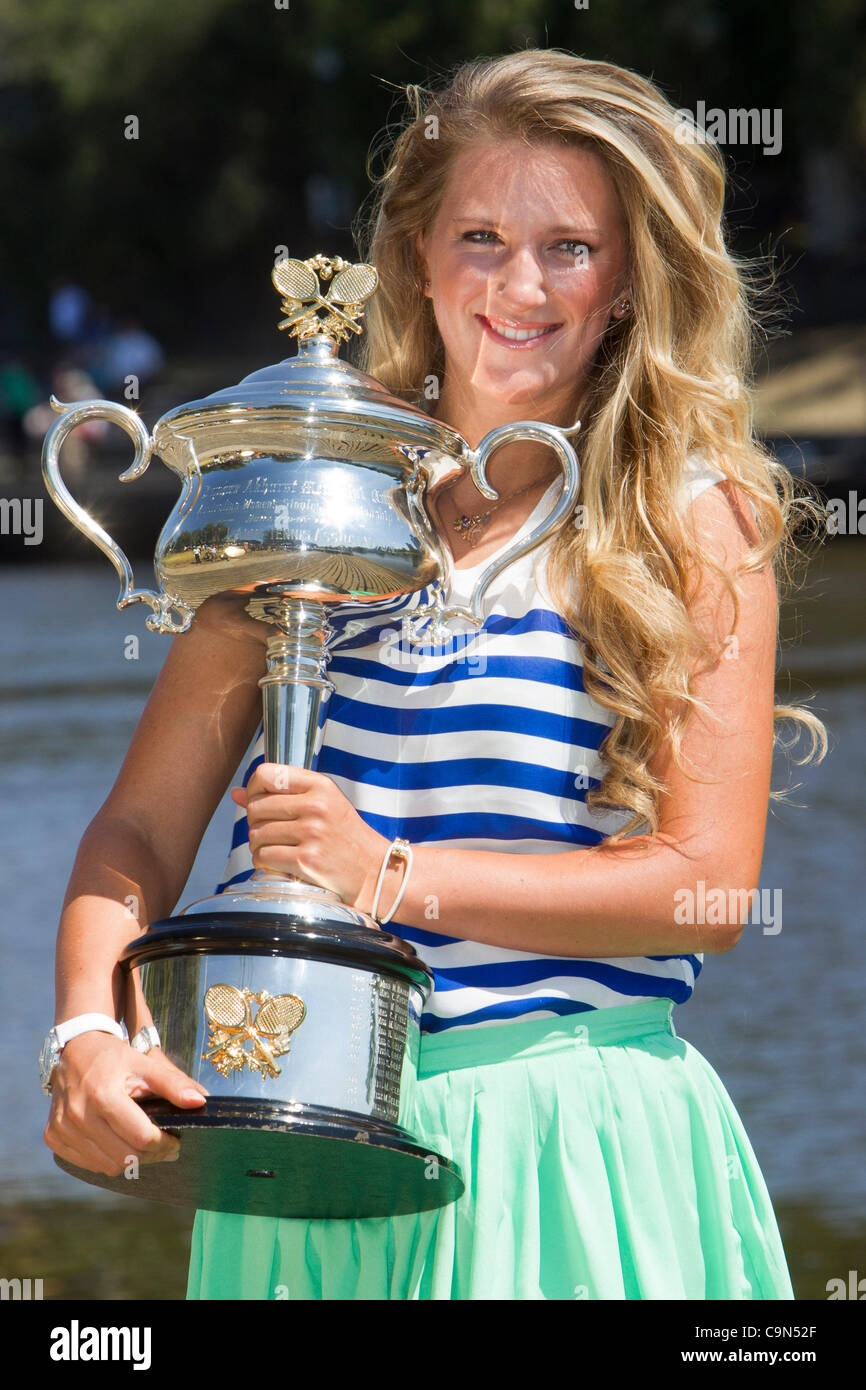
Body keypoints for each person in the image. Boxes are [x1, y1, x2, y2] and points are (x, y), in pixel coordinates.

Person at [42, 50, 826, 1300]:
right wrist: (87, 1028)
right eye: (478, 234)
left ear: (629, 280)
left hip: (563, 1149)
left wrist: (388, 874)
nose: (519, 285)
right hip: (295, 1156)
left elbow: (706, 888)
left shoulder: (687, 517)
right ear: (414, 254)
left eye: (569, 246)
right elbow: (137, 827)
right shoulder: (306, 500)